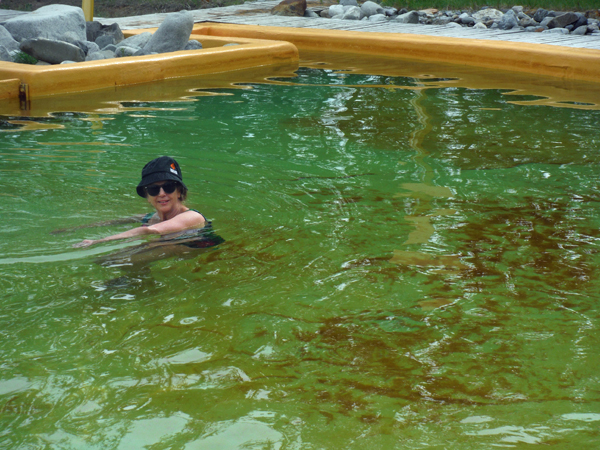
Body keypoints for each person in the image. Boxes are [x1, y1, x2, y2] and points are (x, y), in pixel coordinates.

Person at [73, 156, 208, 248]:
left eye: (168, 187)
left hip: (202, 256)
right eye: (153, 189)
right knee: (109, 259)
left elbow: (150, 230)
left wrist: (97, 241)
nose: (161, 194)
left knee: (118, 258)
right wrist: (73, 229)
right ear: (147, 196)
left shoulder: (192, 217)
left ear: (179, 191)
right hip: (167, 247)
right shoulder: (152, 217)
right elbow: (118, 221)